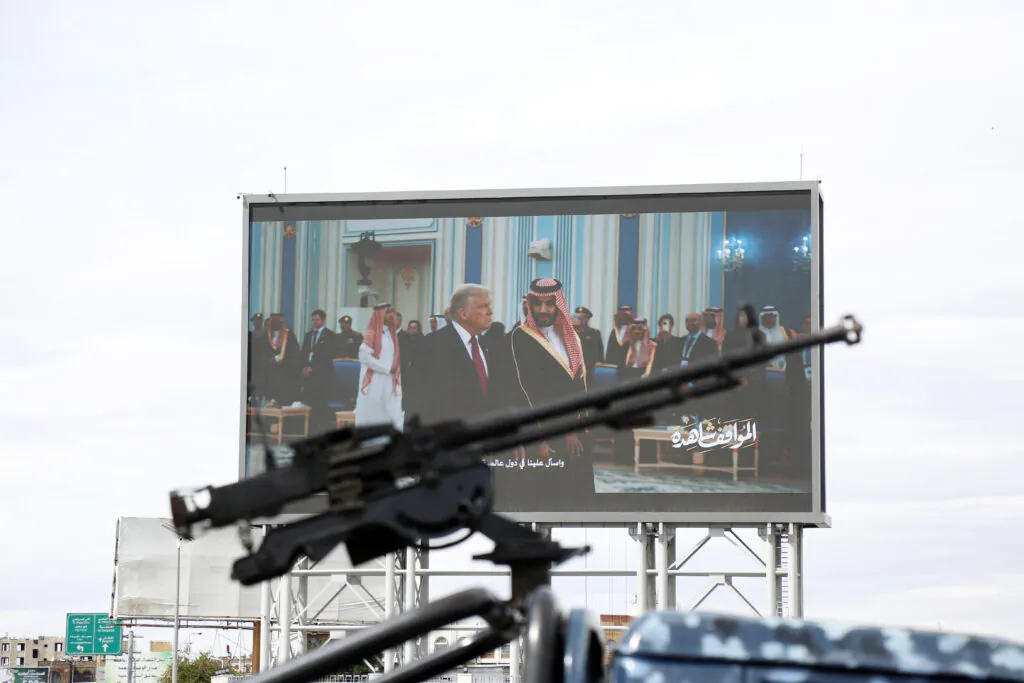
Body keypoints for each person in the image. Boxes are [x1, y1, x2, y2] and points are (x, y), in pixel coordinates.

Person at [508, 278, 589, 468]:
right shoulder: (522, 337)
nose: (543, 310)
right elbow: (529, 389)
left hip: (574, 429)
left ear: (559, 305)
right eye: (537, 303)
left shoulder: (572, 337)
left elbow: (578, 385)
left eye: (549, 304)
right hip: (544, 431)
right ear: (530, 304)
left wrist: (574, 429)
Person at [354, 303, 404, 431]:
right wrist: (387, 368)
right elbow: (364, 357)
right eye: (387, 313)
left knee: (392, 413)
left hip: (390, 380)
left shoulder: (391, 334)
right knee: (373, 415)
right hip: (374, 381)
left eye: (392, 312)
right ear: (380, 314)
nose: (391, 316)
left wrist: (392, 371)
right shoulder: (371, 333)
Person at [300, 309, 336, 433]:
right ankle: (310, 427)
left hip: (322, 374)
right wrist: (304, 366)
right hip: (309, 374)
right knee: (309, 399)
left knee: (320, 401)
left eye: (317, 320)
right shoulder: (308, 335)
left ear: (323, 320)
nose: (315, 322)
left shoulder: (330, 335)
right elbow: (304, 352)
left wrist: (313, 368)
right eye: (313, 320)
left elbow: (327, 356)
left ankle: (321, 427)